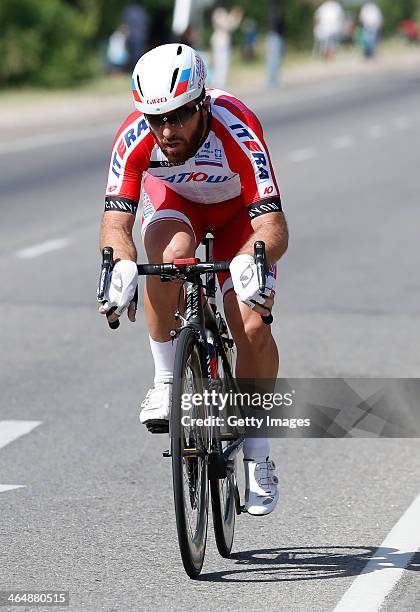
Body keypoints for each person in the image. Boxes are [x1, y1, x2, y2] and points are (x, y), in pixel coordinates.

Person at [99, 44, 288, 516]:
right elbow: (116, 225)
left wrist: (251, 262)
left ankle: (258, 453)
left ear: (202, 102)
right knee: (168, 258)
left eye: (179, 116)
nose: (166, 130)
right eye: (154, 118)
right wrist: (118, 266)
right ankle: (167, 378)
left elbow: (273, 227)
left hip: (238, 219)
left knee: (250, 326)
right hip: (176, 207)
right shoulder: (135, 137)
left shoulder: (237, 127)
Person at [210, 5, 243, 88]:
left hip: (224, 41)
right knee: (219, 62)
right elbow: (227, 25)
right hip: (219, 41)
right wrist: (233, 15)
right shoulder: (219, 12)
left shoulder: (222, 11)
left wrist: (237, 17)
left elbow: (231, 26)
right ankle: (219, 81)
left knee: (224, 62)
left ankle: (222, 81)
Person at [265, 0, 286, 88]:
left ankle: (272, 80)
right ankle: (271, 81)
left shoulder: (273, 12)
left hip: (274, 37)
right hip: (274, 37)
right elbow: (276, 26)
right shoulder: (274, 12)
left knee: (274, 60)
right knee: (273, 60)